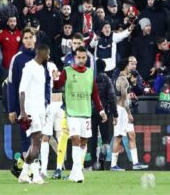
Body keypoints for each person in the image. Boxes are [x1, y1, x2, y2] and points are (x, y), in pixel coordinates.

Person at [52, 46, 108, 183]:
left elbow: (94, 93)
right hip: (72, 112)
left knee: (83, 141)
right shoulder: (67, 71)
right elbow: (58, 85)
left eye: (84, 57)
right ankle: (78, 172)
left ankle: (74, 172)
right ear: (74, 58)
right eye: (79, 57)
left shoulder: (90, 72)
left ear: (86, 58)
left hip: (86, 112)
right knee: (75, 139)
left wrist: (101, 110)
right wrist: (55, 79)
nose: (81, 60)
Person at [18, 44, 51, 184]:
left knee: (36, 140)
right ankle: (36, 174)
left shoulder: (42, 69)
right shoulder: (29, 67)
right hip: (30, 109)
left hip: (40, 109)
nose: (49, 56)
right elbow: (22, 90)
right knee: (36, 139)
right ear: (41, 53)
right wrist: (23, 111)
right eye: (47, 53)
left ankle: (24, 173)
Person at [6, 27, 37, 175]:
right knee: (26, 138)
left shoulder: (41, 57)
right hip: (23, 106)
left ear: (35, 39)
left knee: (38, 137)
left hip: (38, 104)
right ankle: (28, 171)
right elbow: (12, 85)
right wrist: (12, 109)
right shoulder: (17, 59)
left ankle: (21, 166)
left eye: (31, 37)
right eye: (26, 38)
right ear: (22, 40)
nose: (29, 40)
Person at [110, 58, 148, 170]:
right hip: (121, 111)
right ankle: (113, 165)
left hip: (123, 110)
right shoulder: (123, 80)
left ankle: (135, 163)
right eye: (130, 64)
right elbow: (124, 100)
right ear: (126, 66)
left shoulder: (125, 79)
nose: (132, 66)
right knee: (118, 137)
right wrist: (129, 114)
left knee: (132, 135)